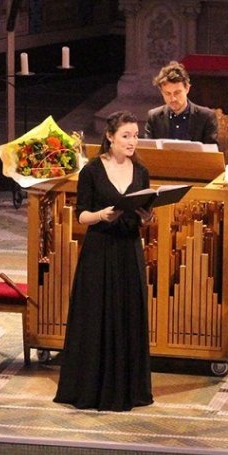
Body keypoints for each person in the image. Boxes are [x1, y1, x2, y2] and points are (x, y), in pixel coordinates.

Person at [54, 111, 155, 411]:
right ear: (110, 137)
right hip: (99, 252)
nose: (132, 141)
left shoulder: (142, 172)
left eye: (136, 136)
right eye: (126, 136)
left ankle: (128, 389)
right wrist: (102, 215)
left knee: (127, 315)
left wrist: (147, 217)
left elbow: (144, 211)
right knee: (96, 316)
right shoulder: (92, 171)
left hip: (128, 251)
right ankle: (90, 388)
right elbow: (81, 214)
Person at [144, 61, 219, 145]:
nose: (173, 99)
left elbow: (211, 153)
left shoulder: (206, 117)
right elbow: (148, 151)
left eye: (177, 92)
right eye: (167, 93)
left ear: (187, 88)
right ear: (161, 92)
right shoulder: (154, 117)